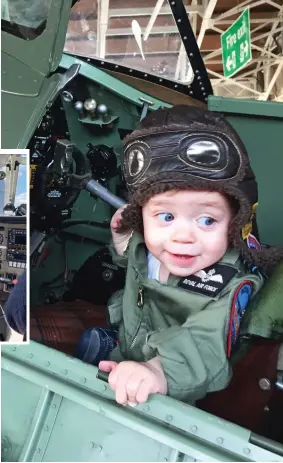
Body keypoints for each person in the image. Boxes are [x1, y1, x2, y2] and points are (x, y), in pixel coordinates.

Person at [75, 105, 282, 406]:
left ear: (235, 224)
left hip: (170, 382)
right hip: (127, 344)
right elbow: (136, 267)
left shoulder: (231, 284)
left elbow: (203, 343)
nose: (183, 236)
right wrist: (122, 243)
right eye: (166, 216)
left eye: (207, 220)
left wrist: (156, 372)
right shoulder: (149, 244)